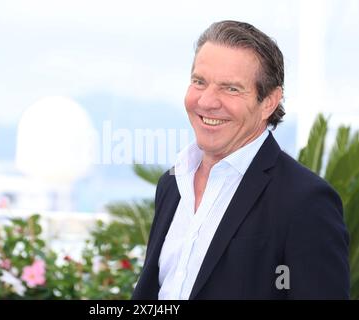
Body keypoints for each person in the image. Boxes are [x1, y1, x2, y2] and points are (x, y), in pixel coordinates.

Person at [132, 20, 349, 300]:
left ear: (269, 102)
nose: (207, 101)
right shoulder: (173, 184)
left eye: (231, 89)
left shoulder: (305, 202)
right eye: (199, 82)